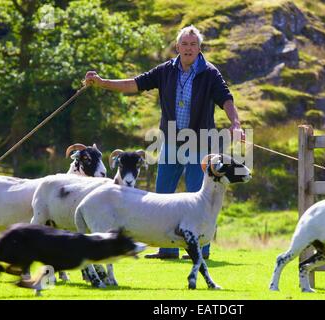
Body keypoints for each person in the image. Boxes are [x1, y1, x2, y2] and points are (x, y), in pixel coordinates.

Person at [84, 25, 244, 259]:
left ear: (199, 48)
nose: (189, 49)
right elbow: (134, 84)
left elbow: (226, 98)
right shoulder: (166, 70)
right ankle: (166, 249)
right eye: (185, 44)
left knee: (198, 195)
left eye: (193, 45)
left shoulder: (210, 73)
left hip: (198, 143)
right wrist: (101, 82)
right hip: (170, 140)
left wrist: (236, 123)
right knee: (162, 194)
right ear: (177, 47)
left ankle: (200, 250)